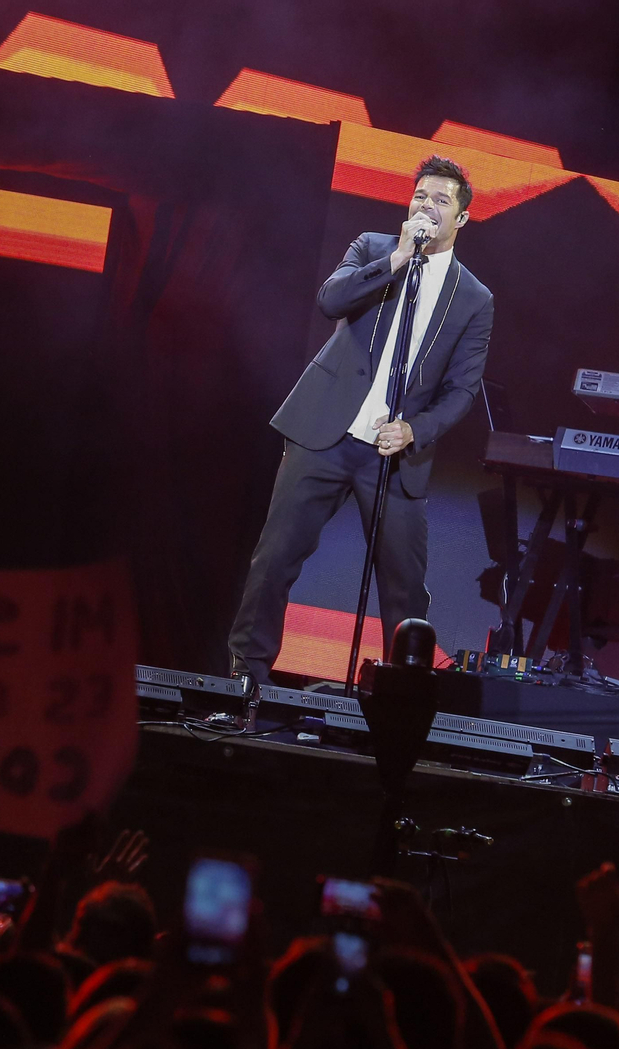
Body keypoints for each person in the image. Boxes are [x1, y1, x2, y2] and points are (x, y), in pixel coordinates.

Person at [227, 155, 494, 687]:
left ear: (461, 219)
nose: (427, 206)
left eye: (442, 201)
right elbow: (331, 300)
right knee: (276, 557)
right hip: (324, 433)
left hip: (393, 454)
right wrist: (396, 258)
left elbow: (463, 389)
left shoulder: (474, 298)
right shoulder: (373, 248)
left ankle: (401, 694)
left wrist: (415, 428)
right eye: (420, 196)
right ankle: (244, 678)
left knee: (405, 588)